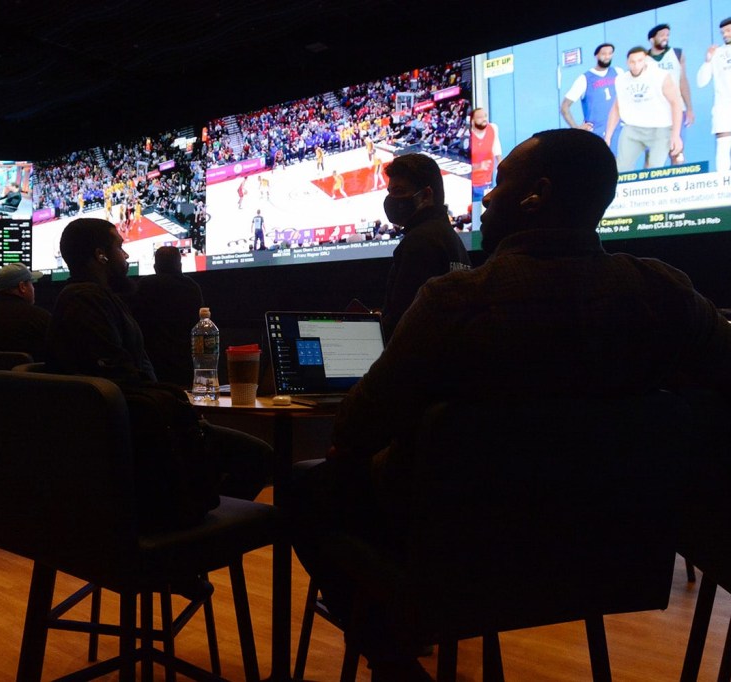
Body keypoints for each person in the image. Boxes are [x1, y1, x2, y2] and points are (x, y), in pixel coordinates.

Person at [292, 128, 731, 682]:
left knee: (307, 488)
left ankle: (394, 660)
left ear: (536, 194)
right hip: (612, 560)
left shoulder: (454, 302)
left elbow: (357, 426)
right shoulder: (667, 295)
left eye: (499, 184)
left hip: (468, 556)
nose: (487, 197)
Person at [46, 218, 271, 502]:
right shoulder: (86, 302)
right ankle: (198, 525)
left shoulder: (94, 298)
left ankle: (201, 522)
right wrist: (176, 404)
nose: (126, 255)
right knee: (258, 457)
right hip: (140, 435)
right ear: (100, 255)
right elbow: (119, 381)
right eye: (119, 246)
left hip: (142, 427)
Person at [378, 153, 470, 339]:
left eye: (398, 192)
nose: (391, 200)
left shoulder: (420, 241)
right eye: (390, 192)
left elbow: (403, 322)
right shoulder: (452, 239)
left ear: (426, 195)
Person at [127, 245, 204, 386]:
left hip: (154, 362)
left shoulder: (145, 285)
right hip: (185, 361)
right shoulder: (192, 287)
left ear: (155, 267)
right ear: (179, 265)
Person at [604, 46, 684, 171]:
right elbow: (616, 108)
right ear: (627, 62)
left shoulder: (660, 76)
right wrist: (608, 136)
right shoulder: (621, 80)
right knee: (621, 169)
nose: (636, 65)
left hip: (660, 128)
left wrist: (676, 134)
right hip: (633, 128)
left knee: (654, 169)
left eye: (639, 61)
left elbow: (675, 103)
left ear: (645, 60)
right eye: (632, 62)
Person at [560, 43, 624, 138]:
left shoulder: (618, 72)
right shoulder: (584, 79)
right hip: (597, 134)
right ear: (596, 55)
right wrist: (576, 128)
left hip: (619, 130)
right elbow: (564, 107)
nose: (607, 56)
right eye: (603, 53)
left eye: (610, 53)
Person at [696, 17, 731, 171]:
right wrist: (707, 60)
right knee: (723, 149)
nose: (725, 35)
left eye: (728, 31)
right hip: (724, 109)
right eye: (723, 32)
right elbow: (701, 82)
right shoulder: (717, 53)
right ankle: (723, 187)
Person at [648, 23, 694, 130]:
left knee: (677, 145)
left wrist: (689, 108)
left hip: (677, 109)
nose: (665, 38)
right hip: (654, 111)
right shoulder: (644, 59)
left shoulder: (677, 54)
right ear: (652, 39)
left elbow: (683, 81)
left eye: (667, 35)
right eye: (662, 35)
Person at [470, 107, 501, 203]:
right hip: (472, 183)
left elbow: (496, 148)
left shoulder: (493, 128)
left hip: (487, 182)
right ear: (472, 121)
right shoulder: (468, 137)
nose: (484, 119)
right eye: (480, 117)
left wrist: (501, 166)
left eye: (485, 116)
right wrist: (479, 166)